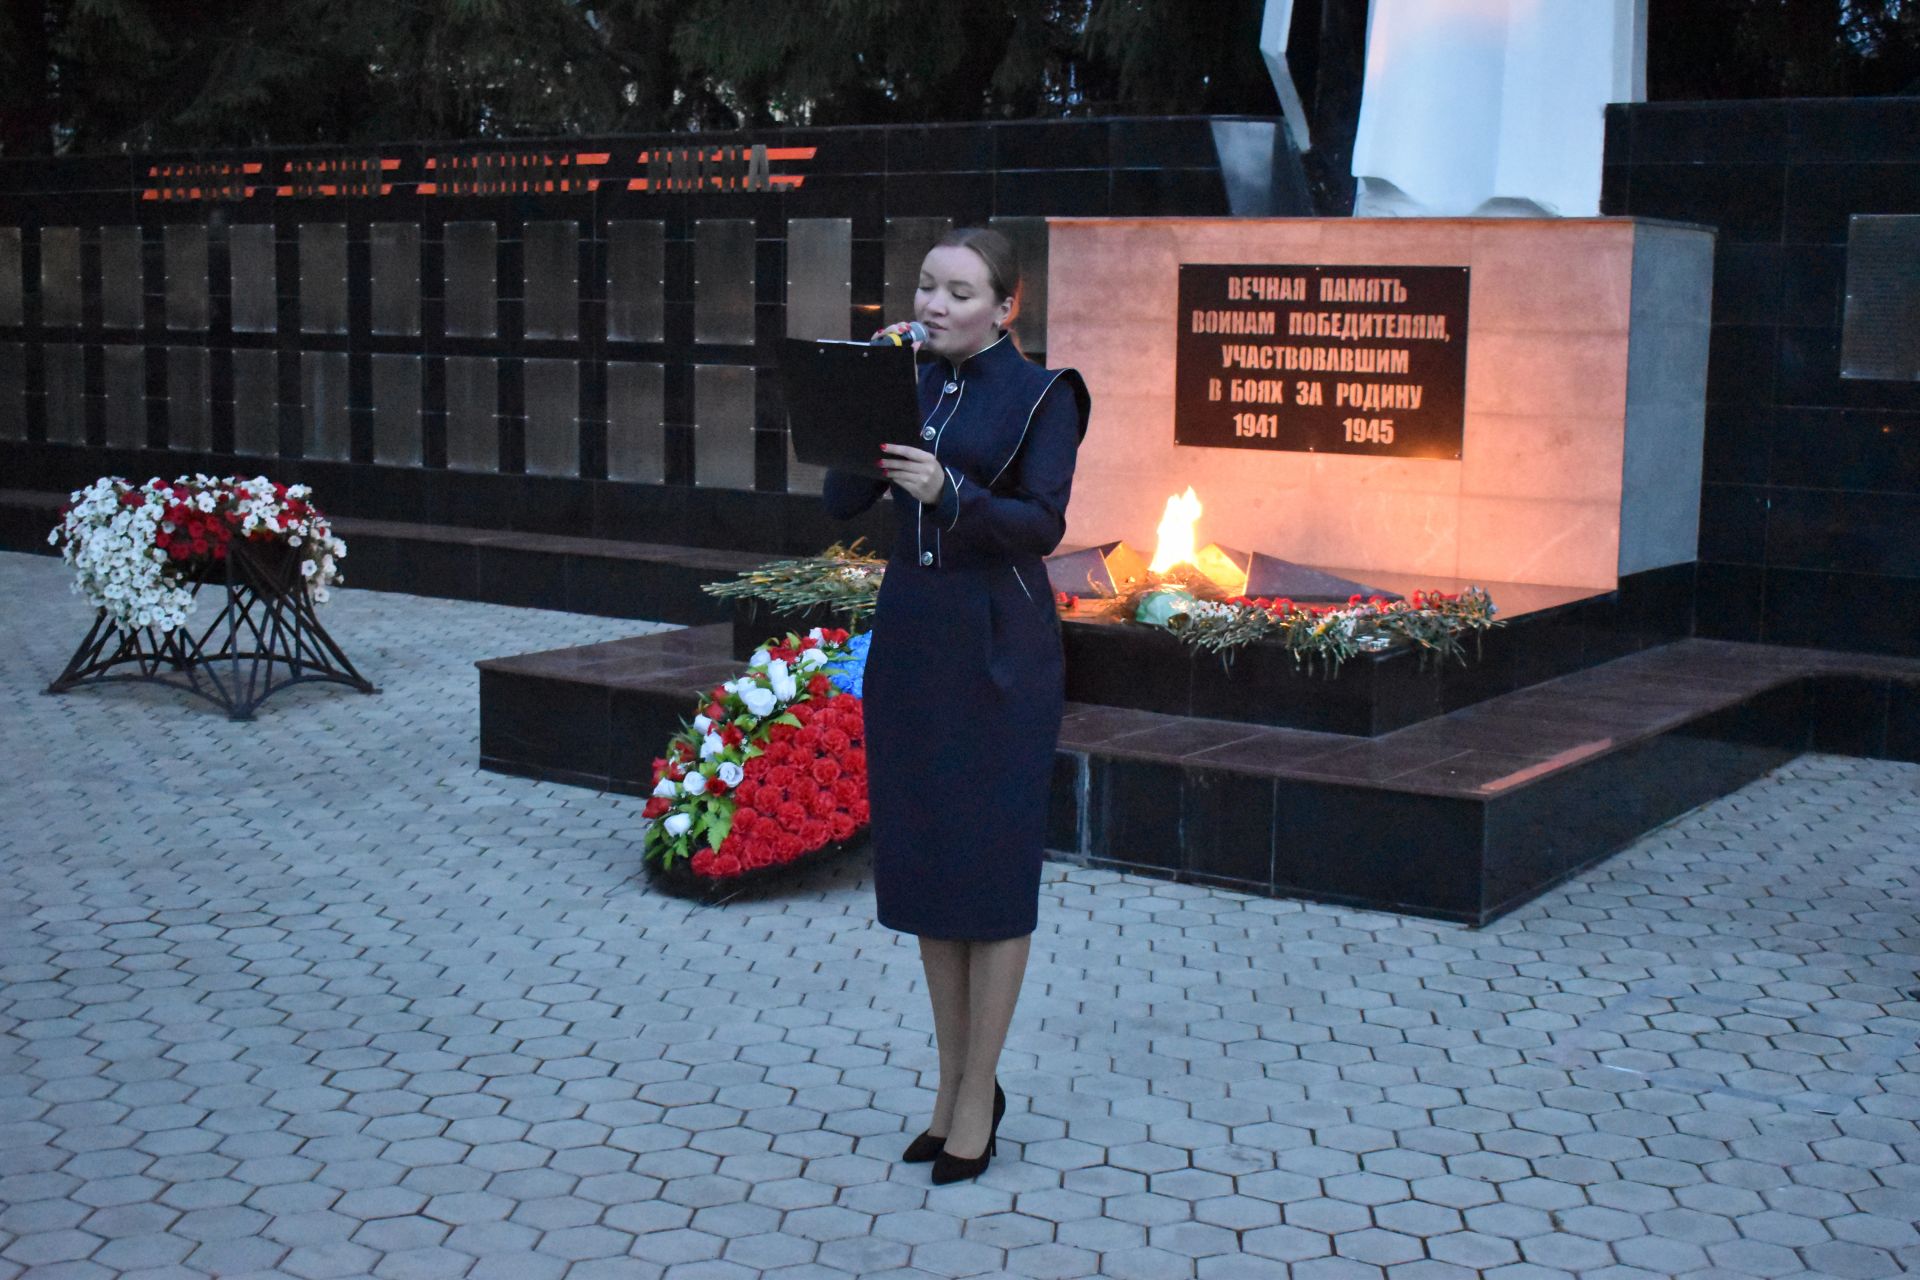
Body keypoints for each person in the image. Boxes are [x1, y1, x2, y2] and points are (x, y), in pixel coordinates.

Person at [822, 226, 1090, 1185]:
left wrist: (953, 492)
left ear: (1007, 306)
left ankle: (981, 1094)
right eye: (927, 288)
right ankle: (949, 1086)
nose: (935, 306)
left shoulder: (1045, 394)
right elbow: (840, 498)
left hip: (1000, 651)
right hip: (914, 642)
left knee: (992, 868)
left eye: (960, 293)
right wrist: (869, 387)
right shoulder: (912, 375)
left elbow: (1043, 523)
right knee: (931, 862)